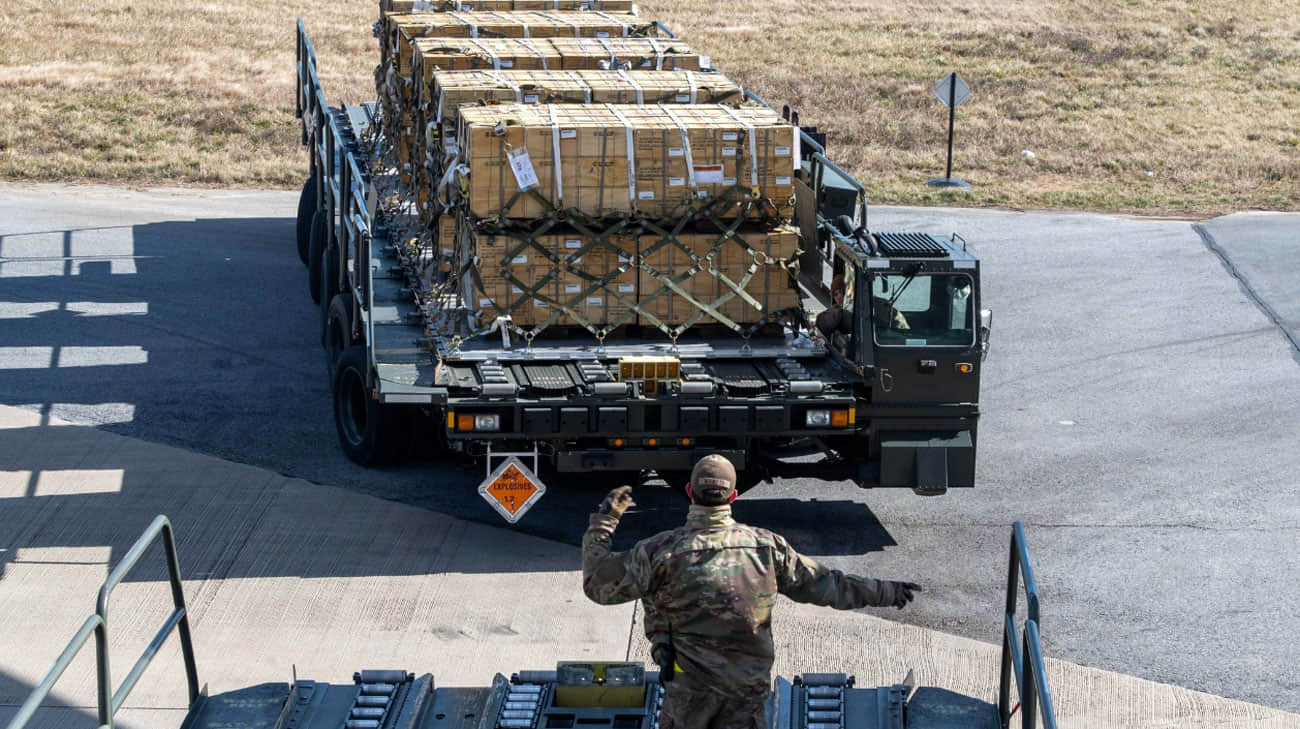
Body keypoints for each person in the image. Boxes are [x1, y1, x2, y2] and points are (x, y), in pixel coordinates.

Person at [581, 455, 921, 729]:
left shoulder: (658, 553)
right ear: (733, 496)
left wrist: (604, 523)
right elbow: (827, 585)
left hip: (688, 691)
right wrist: (886, 591)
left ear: (689, 491)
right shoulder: (766, 547)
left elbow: (598, 585)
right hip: (747, 692)